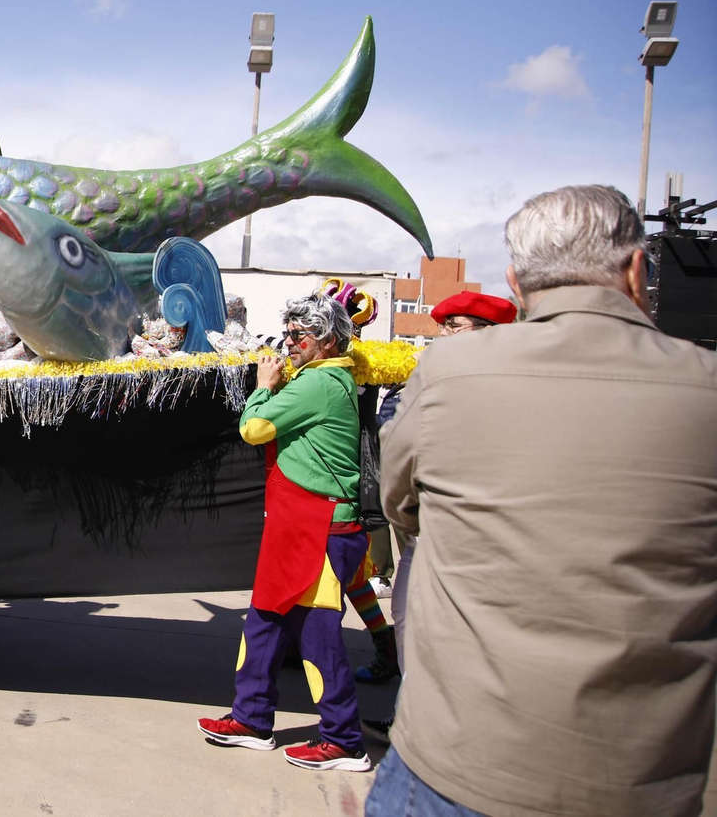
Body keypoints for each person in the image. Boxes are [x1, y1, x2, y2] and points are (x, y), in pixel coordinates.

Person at [368, 185, 717, 817]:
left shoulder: (448, 378)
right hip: (639, 785)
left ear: (516, 281)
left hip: (454, 768)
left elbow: (401, 506)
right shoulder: (705, 388)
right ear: (638, 269)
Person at [197, 293, 371, 772]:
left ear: (328, 341)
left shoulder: (320, 383)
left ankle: (344, 740)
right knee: (264, 621)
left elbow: (254, 429)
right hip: (296, 524)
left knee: (319, 639)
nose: (289, 343)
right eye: (288, 334)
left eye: (300, 336)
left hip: (321, 528)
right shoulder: (320, 377)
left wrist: (263, 385)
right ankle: (251, 720)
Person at [359, 289, 517, 742]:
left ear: (490, 333)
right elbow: (397, 446)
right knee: (408, 617)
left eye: (456, 326)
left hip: (478, 533)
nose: (444, 334)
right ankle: (414, 720)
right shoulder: (432, 376)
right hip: (425, 529)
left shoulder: (504, 384)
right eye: (444, 326)